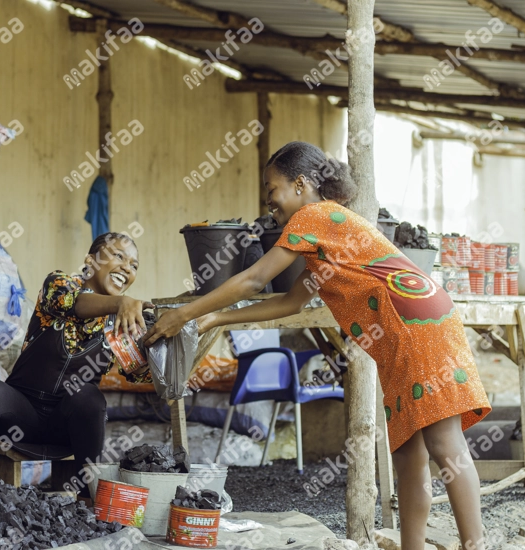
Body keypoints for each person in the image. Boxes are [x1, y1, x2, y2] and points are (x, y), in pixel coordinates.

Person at [144, 141, 490, 550]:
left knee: (442, 440)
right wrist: (216, 317)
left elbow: (255, 280)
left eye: (273, 188)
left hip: (413, 323)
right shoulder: (324, 239)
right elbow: (290, 302)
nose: (269, 200)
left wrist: (182, 314)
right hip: (410, 323)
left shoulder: (315, 215)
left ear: (301, 184)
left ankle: (476, 544)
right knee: (408, 453)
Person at [0, 232, 153, 498]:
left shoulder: (122, 325)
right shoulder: (59, 284)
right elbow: (75, 303)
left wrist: (164, 344)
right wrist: (122, 303)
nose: (126, 268)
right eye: (119, 256)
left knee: (90, 397)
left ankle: (87, 499)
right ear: (91, 260)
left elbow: (140, 375)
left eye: (134, 266)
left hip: (67, 428)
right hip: (21, 416)